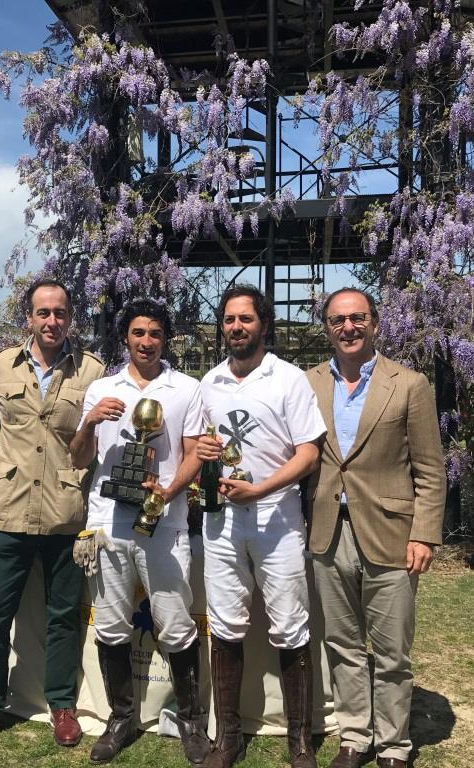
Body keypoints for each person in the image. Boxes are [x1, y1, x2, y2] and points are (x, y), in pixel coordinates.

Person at [0, 277, 104, 755]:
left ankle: (61, 705)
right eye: (43, 312)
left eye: (60, 312)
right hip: (7, 511)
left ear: (70, 318)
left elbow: (93, 444)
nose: (52, 321)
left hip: (64, 513)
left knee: (63, 617)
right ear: (29, 317)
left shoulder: (91, 371)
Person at [305, 287, 446, 768]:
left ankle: (393, 745)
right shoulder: (308, 383)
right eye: (337, 320)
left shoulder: (409, 384)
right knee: (342, 644)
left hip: (391, 533)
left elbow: (430, 468)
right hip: (327, 530)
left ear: (375, 323)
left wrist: (424, 534)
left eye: (357, 318)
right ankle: (353, 737)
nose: (348, 327)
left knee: (391, 652)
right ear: (327, 328)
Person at [69, 298, 209, 765]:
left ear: (165, 339)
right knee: (111, 626)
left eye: (155, 333)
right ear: (125, 337)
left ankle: (190, 720)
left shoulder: (185, 389)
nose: (146, 341)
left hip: (162, 523)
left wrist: (167, 492)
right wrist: (90, 420)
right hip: (108, 523)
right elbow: (79, 457)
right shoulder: (102, 388)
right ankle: (120, 717)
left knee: (176, 625)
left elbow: (194, 452)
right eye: (138, 333)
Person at [196, 285, 325, 768]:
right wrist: (203, 452)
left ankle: (300, 740)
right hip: (222, 521)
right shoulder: (209, 381)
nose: (236, 328)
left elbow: (309, 453)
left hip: (277, 520)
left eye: (246, 319)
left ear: (263, 325)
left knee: (290, 626)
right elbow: (201, 444)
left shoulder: (288, 379)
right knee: (225, 624)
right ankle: (228, 737)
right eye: (229, 320)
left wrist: (262, 489)